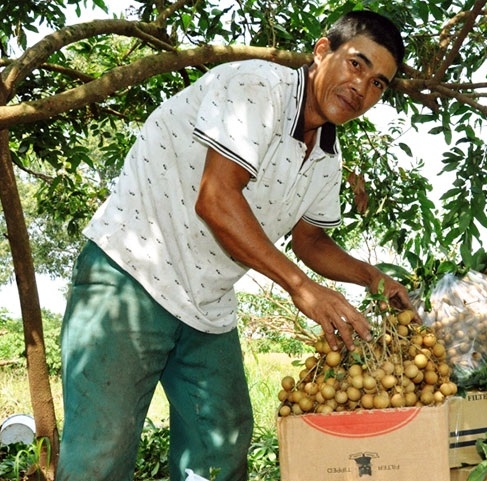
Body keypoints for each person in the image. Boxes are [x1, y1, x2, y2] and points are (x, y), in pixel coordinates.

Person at [56, 10, 408, 481]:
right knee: (101, 452)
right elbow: (217, 198)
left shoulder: (327, 154)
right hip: (131, 273)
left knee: (220, 446)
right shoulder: (256, 87)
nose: (362, 87)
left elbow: (311, 241)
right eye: (356, 64)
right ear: (322, 51)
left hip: (206, 303)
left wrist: (373, 278)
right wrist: (301, 288)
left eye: (379, 83)